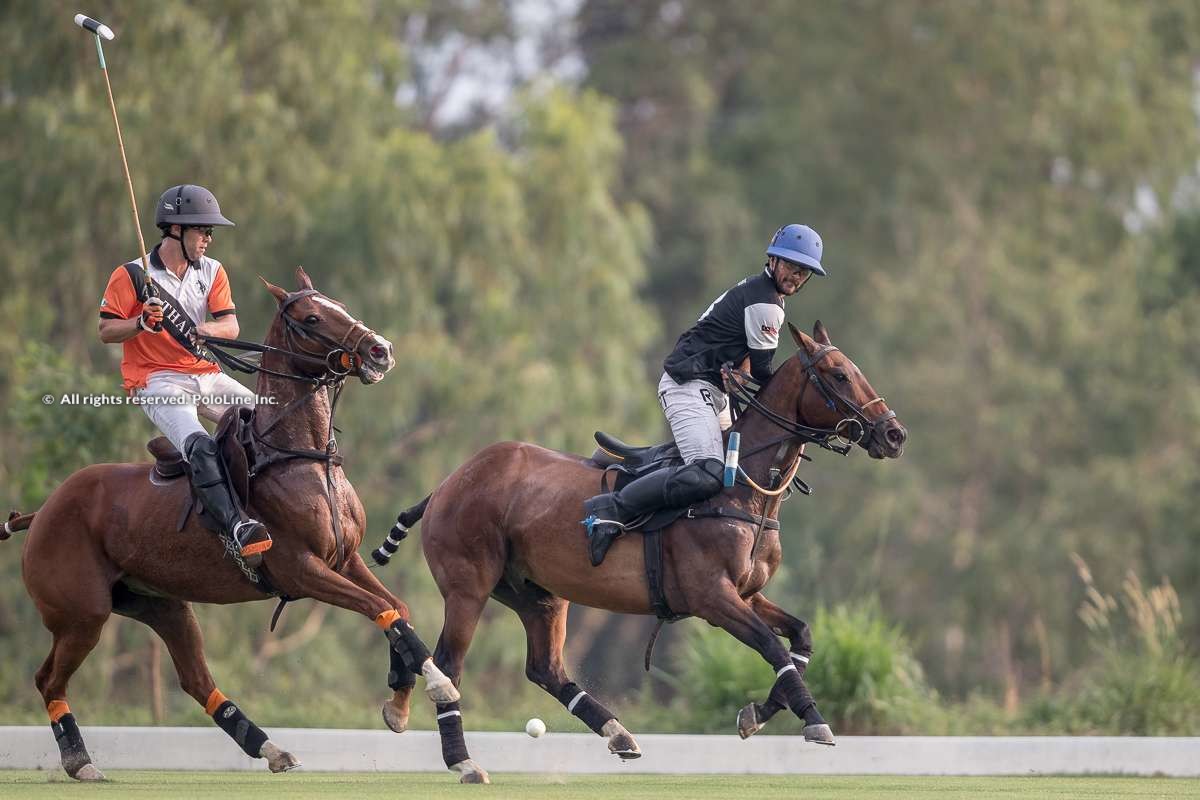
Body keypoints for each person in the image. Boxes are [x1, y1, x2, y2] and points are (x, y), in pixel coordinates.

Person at [582, 223, 826, 566]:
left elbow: (745, 368)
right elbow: (763, 375)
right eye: (790, 266)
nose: (795, 276)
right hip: (687, 385)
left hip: (711, 391)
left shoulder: (764, 295)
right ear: (772, 260)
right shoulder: (766, 303)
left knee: (735, 474)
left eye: (803, 273)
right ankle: (611, 511)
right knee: (710, 472)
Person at [98, 184, 271, 567]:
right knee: (200, 443)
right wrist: (140, 323)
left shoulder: (212, 271)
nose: (209, 239)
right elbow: (107, 330)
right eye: (203, 231)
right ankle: (235, 528)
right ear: (176, 229)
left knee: (267, 422)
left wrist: (208, 329)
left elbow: (231, 325)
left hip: (205, 374)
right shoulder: (131, 274)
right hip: (156, 380)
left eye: (210, 232)